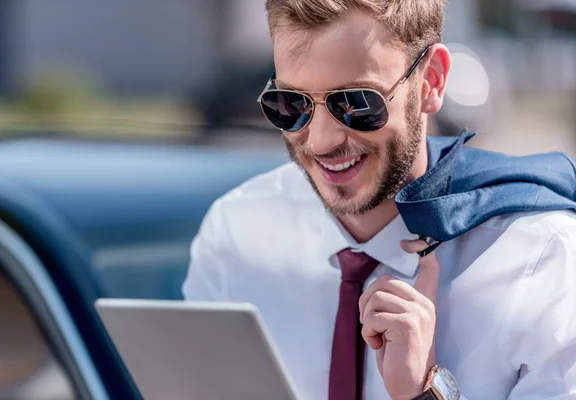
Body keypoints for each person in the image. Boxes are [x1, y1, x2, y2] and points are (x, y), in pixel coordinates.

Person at [183, 1, 576, 399]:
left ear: (432, 82)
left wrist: (425, 391)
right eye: (292, 104)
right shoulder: (234, 234)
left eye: (355, 104)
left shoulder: (541, 261)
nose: (320, 141)